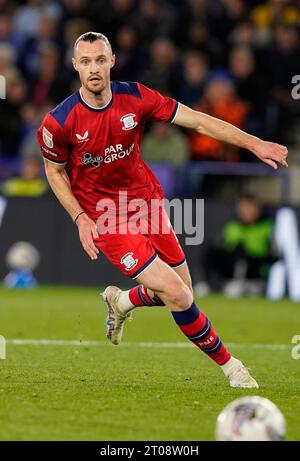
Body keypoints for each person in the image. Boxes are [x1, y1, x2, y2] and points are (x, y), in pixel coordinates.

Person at [37, 32, 288, 389]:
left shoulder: (137, 97)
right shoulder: (59, 122)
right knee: (179, 295)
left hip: (147, 202)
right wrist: (80, 218)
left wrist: (254, 143)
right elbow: (54, 171)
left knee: (183, 292)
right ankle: (232, 368)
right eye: (86, 61)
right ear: (75, 66)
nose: (94, 68)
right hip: (106, 217)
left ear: (112, 61)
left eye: (100, 59)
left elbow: (199, 121)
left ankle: (121, 300)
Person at [198, 194, 277, 297]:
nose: (246, 211)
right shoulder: (232, 226)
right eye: (243, 207)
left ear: (257, 209)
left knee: (242, 251)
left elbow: (274, 254)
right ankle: (204, 284)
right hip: (234, 263)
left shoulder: (266, 227)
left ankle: (238, 283)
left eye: (249, 207)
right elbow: (225, 246)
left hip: (256, 267)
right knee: (212, 250)